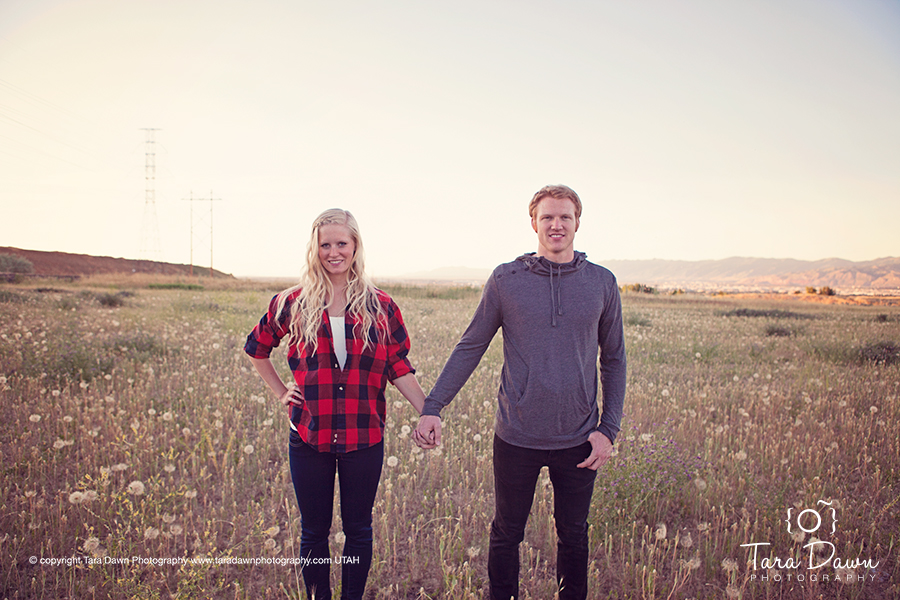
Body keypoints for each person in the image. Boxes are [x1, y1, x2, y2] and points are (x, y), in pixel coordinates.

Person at [413, 185, 626, 600]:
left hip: (580, 438)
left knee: (574, 535)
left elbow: (614, 358)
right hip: (517, 435)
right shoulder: (506, 279)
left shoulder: (601, 282)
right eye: (547, 217)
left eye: (565, 216)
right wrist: (433, 406)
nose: (556, 224)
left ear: (577, 222)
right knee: (507, 532)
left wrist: (609, 429)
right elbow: (471, 344)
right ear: (534, 223)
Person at [245, 208, 427, 600]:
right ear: (315, 248)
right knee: (314, 530)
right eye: (325, 244)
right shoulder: (290, 303)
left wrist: (428, 412)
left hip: (365, 436)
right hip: (309, 435)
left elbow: (399, 367)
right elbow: (256, 348)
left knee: (359, 529)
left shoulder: (381, 306)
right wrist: (281, 392)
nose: (333, 252)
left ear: (355, 246)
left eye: (341, 243)